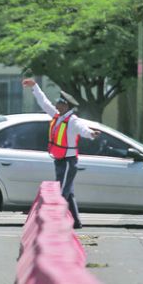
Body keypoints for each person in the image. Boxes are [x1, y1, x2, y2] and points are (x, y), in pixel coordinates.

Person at [22, 78, 99, 229]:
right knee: (68, 192)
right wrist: (35, 87)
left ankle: (56, 222)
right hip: (59, 159)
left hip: (69, 161)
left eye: (59, 102)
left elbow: (83, 129)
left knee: (62, 192)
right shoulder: (58, 116)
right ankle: (76, 222)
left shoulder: (72, 120)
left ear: (66, 105)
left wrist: (91, 133)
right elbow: (44, 103)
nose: (56, 104)